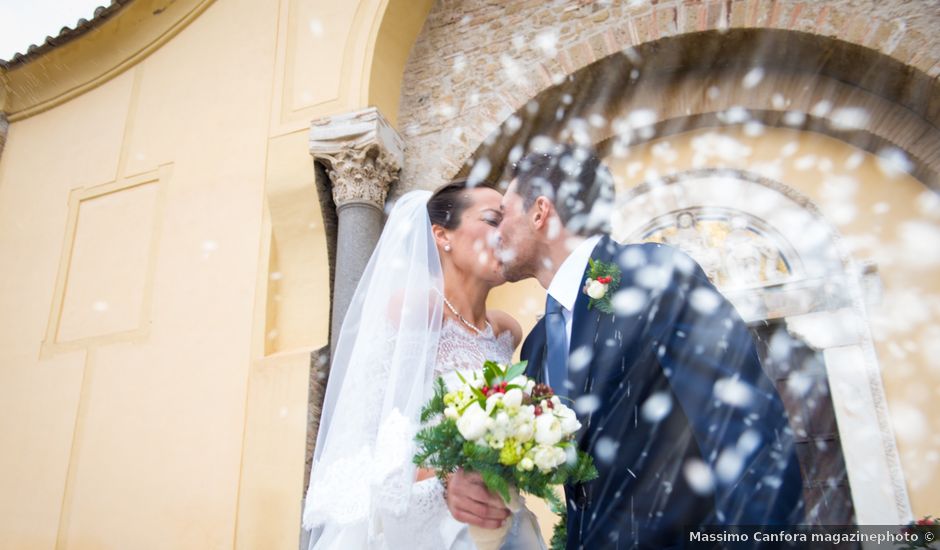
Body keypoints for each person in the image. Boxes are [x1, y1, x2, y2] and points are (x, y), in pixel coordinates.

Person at [446, 143, 804, 549]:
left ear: (540, 212)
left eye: (503, 216)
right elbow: (518, 453)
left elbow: (750, 436)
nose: (496, 234)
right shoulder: (538, 346)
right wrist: (466, 482)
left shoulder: (652, 276)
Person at [302, 182, 545, 549]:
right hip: (428, 524)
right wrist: (448, 477)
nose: (505, 232)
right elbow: (365, 438)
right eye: (493, 219)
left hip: (503, 517)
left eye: (509, 221)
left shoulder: (507, 331)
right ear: (441, 235)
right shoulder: (412, 310)